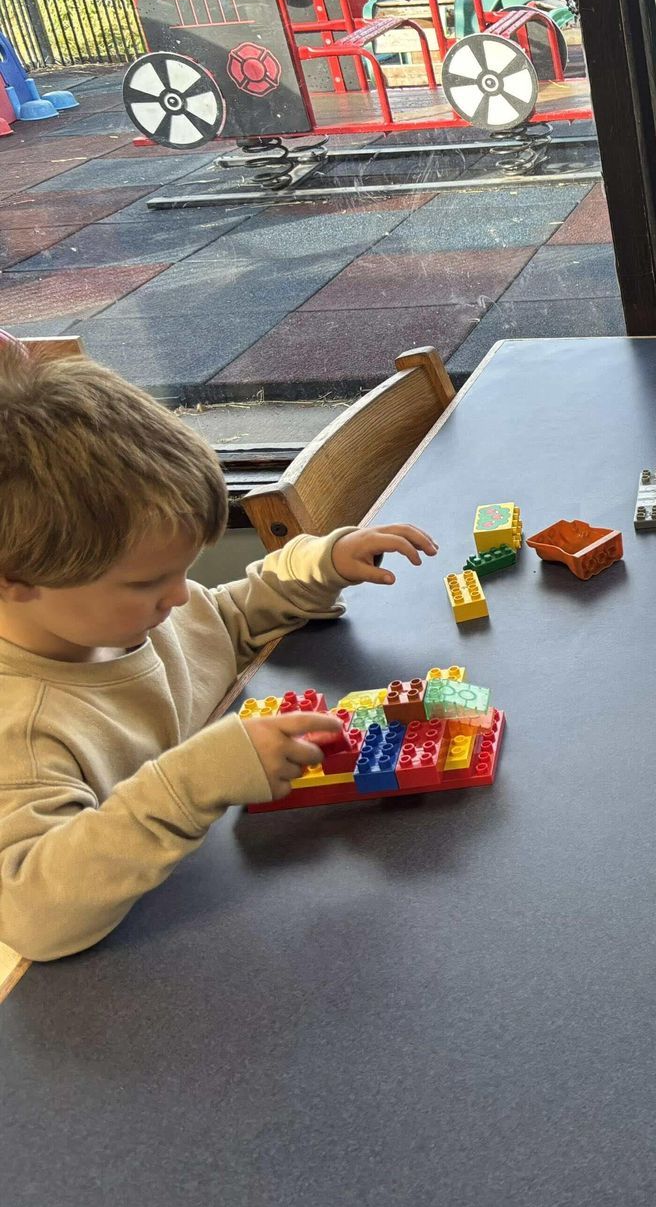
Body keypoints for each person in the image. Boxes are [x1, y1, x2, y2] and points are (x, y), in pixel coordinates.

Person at [0, 338, 438, 962]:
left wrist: (318, 567)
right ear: (13, 578)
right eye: (148, 582)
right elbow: (34, 914)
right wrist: (192, 782)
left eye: (183, 570)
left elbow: (224, 621)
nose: (179, 596)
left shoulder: (122, 618)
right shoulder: (22, 730)